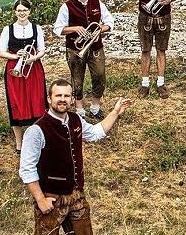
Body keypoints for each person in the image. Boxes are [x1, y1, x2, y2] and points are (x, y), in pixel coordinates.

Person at [19, 79, 132, 235]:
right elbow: (27, 169)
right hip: (51, 197)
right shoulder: (36, 130)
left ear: (72, 99)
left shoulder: (75, 119)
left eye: (67, 96)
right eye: (58, 95)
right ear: (49, 98)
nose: (63, 99)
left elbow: (95, 133)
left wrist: (115, 112)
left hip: (76, 194)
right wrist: (40, 200)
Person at [53, 0, 114, 119]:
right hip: (75, 48)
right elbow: (57, 29)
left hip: (95, 47)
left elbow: (109, 22)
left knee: (99, 75)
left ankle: (95, 106)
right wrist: (74, 29)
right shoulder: (66, 6)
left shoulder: (98, 3)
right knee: (77, 79)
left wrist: (101, 28)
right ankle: (79, 109)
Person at [127, 0, 179, 98]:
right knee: (145, 50)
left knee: (161, 50)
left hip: (164, 16)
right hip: (145, 16)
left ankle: (161, 83)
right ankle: (144, 84)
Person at [0, 0, 48, 153]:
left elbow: (42, 49)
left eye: (25, 10)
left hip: (33, 68)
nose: (22, 13)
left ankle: (37, 140)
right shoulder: (8, 29)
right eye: (19, 10)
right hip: (15, 69)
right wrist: (16, 56)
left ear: (29, 11)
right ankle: (19, 144)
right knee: (16, 103)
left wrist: (33, 58)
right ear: (15, 12)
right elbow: (1, 51)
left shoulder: (36, 28)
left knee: (37, 101)